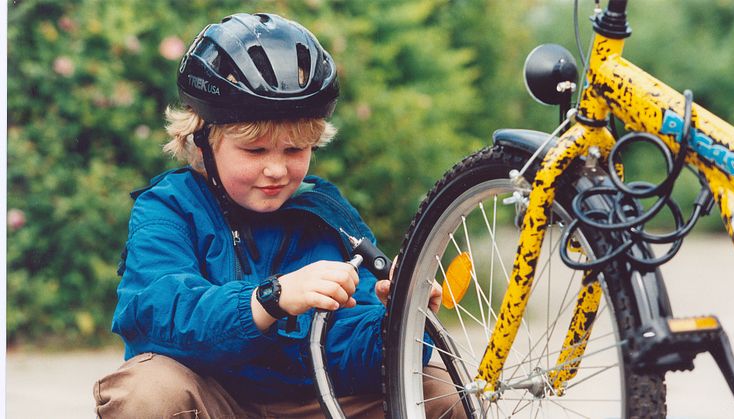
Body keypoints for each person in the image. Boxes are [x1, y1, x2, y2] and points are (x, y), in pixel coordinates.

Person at [93, 12, 466, 418]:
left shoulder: (325, 211)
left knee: (440, 390)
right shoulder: (168, 208)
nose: (277, 170)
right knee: (148, 392)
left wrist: (399, 322)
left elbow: (350, 353)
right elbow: (158, 316)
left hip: (311, 400)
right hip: (213, 399)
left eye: (294, 151)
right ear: (200, 142)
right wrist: (270, 299)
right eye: (255, 151)